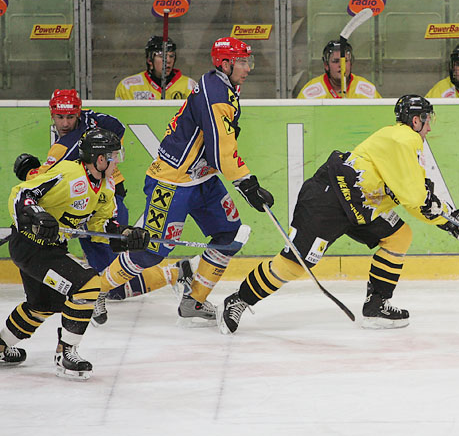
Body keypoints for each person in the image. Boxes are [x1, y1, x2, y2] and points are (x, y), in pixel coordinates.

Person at [217, 95, 459, 334]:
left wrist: (453, 223)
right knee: (294, 264)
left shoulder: (402, 142)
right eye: (428, 120)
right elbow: (416, 198)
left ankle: (377, 304)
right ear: (416, 120)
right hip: (328, 201)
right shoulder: (406, 139)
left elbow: (417, 199)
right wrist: (451, 220)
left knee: (399, 235)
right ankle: (238, 300)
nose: (429, 127)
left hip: (360, 207)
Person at [100, 36, 274, 326]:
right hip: (171, 183)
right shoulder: (216, 94)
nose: (248, 68)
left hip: (203, 179)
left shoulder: (225, 86)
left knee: (229, 235)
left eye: (248, 61)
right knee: (150, 252)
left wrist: (244, 183)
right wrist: (247, 183)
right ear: (225, 64)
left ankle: (194, 300)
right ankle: (94, 292)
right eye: (242, 62)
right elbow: (221, 150)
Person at [11, 89, 192, 327]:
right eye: (59, 117)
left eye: (70, 116)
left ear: (78, 113)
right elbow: (116, 127)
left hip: (103, 202)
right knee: (102, 277)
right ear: (52, 115)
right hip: (87, 205)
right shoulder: (87, 126)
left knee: (108, 278)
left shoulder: (66, 146)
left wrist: (28, 172)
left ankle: (176, 272)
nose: (65, 123)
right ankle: (173, 273)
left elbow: (41, 178)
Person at [0, 127, 150, 379]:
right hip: (30, 245)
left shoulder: (106, 186)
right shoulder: (70, 174)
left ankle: (1, 346)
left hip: (51, 248)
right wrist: (37, 214)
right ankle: (66, 353)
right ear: (100, 159)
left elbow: (99, 225)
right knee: (88, 284)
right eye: (114, 156)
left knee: (42, 305)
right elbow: (21, 193)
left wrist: (124, 235)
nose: (117, 162)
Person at [115, 36, 198, 100]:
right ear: (149, 60)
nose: (168, 60)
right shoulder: (128, 86)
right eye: (162, 56)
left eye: (171, 56)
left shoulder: (189, 86)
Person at [297, 40, 380, 99]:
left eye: (345, 61)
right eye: (336, 61)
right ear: (326, 65)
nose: (341, 65)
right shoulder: (310, 92)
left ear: (351, 63)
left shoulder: (367, 90)